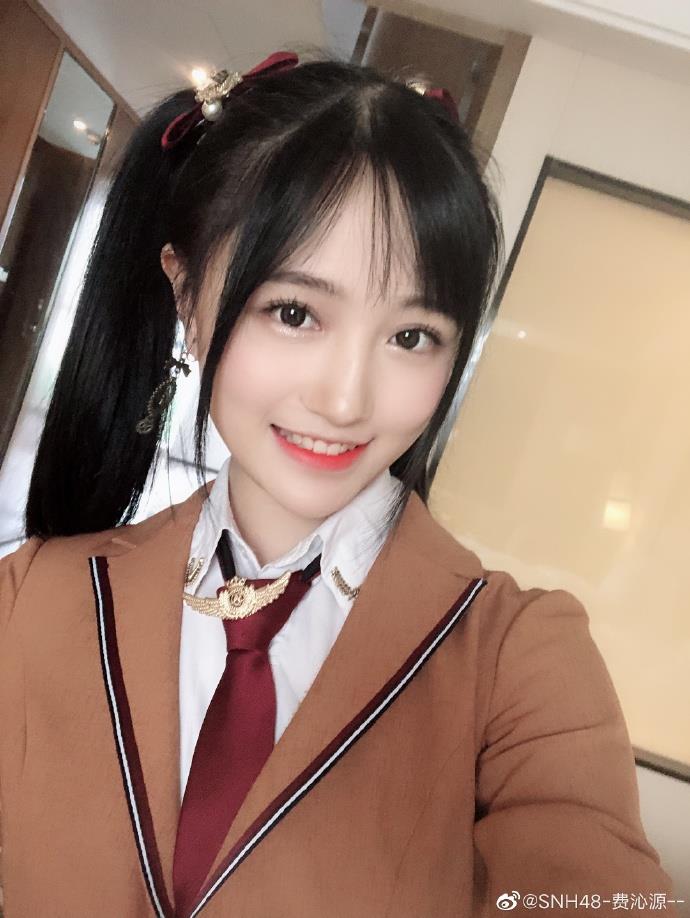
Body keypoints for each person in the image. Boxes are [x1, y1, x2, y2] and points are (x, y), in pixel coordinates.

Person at [0, 51, 677, 918]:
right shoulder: (34, 599)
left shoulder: (518, 661)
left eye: (411, 337)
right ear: (188, 296)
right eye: (295, 313)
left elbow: (588, 885)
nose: (347, 400)